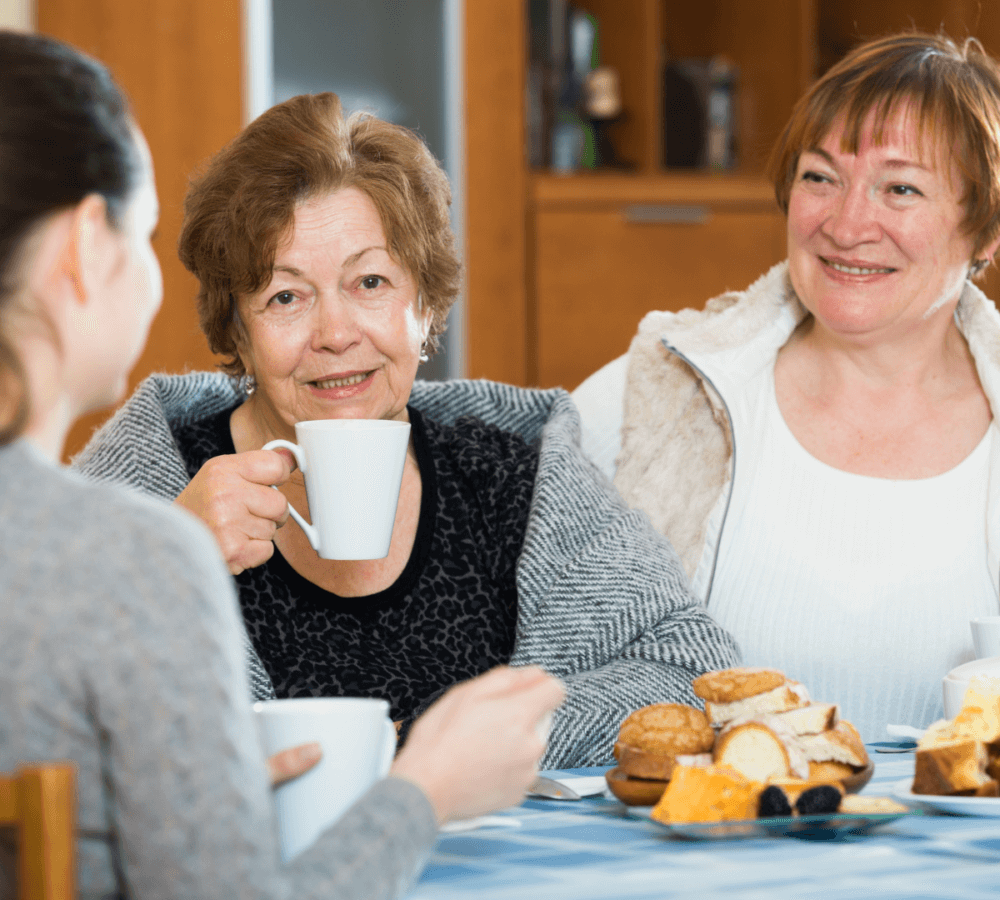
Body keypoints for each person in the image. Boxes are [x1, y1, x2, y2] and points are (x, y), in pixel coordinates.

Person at [0, 30, 568, 900]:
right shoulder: (137, 553)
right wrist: (423, 794)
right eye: (143, 234)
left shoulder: (515, 459)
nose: (335, 330)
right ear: (85, 246)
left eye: (370, 283)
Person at [73, 92, 739, 767]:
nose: (335, 334)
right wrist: (156, 575)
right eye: (285, 296)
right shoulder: (145, 494)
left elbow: (688, 673)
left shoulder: (514, 475)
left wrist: (437, 756)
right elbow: (36, 716)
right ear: (237, 331)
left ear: (424, 304)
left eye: (370, 282)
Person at [573, 31, 1000, 740]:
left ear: (984, 231)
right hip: (693, 845)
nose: (846, 224)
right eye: (819, 177)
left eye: (900, 188)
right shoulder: (657, 395)